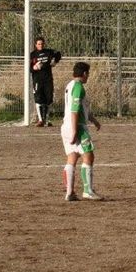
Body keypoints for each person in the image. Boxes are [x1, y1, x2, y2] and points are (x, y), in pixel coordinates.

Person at [61, 62, 102, 201]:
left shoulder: (70, 85)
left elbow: (81, 108)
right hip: (77, 126)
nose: (88, 76)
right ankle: (88, 191)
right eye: (88, 73)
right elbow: (74, 110)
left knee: (72, 156)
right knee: (88, 156)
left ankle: (69, 193)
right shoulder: (79, 87)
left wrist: (94, 120)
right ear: (84, 73)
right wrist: (75, 131)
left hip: (66, 125)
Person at [30, 37, 62, 127]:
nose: (41, 45)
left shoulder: (49, 52)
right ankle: (40, 120)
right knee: (39, 98)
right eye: (39, 44)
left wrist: (55, 61)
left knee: (49, 98)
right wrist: (34, 68)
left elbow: (58, 54)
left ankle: (47, 120)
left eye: (42, 44)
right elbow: (29, 68)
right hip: (37, 80)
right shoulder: (32, 54)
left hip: (48, 79)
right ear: (36, 45)